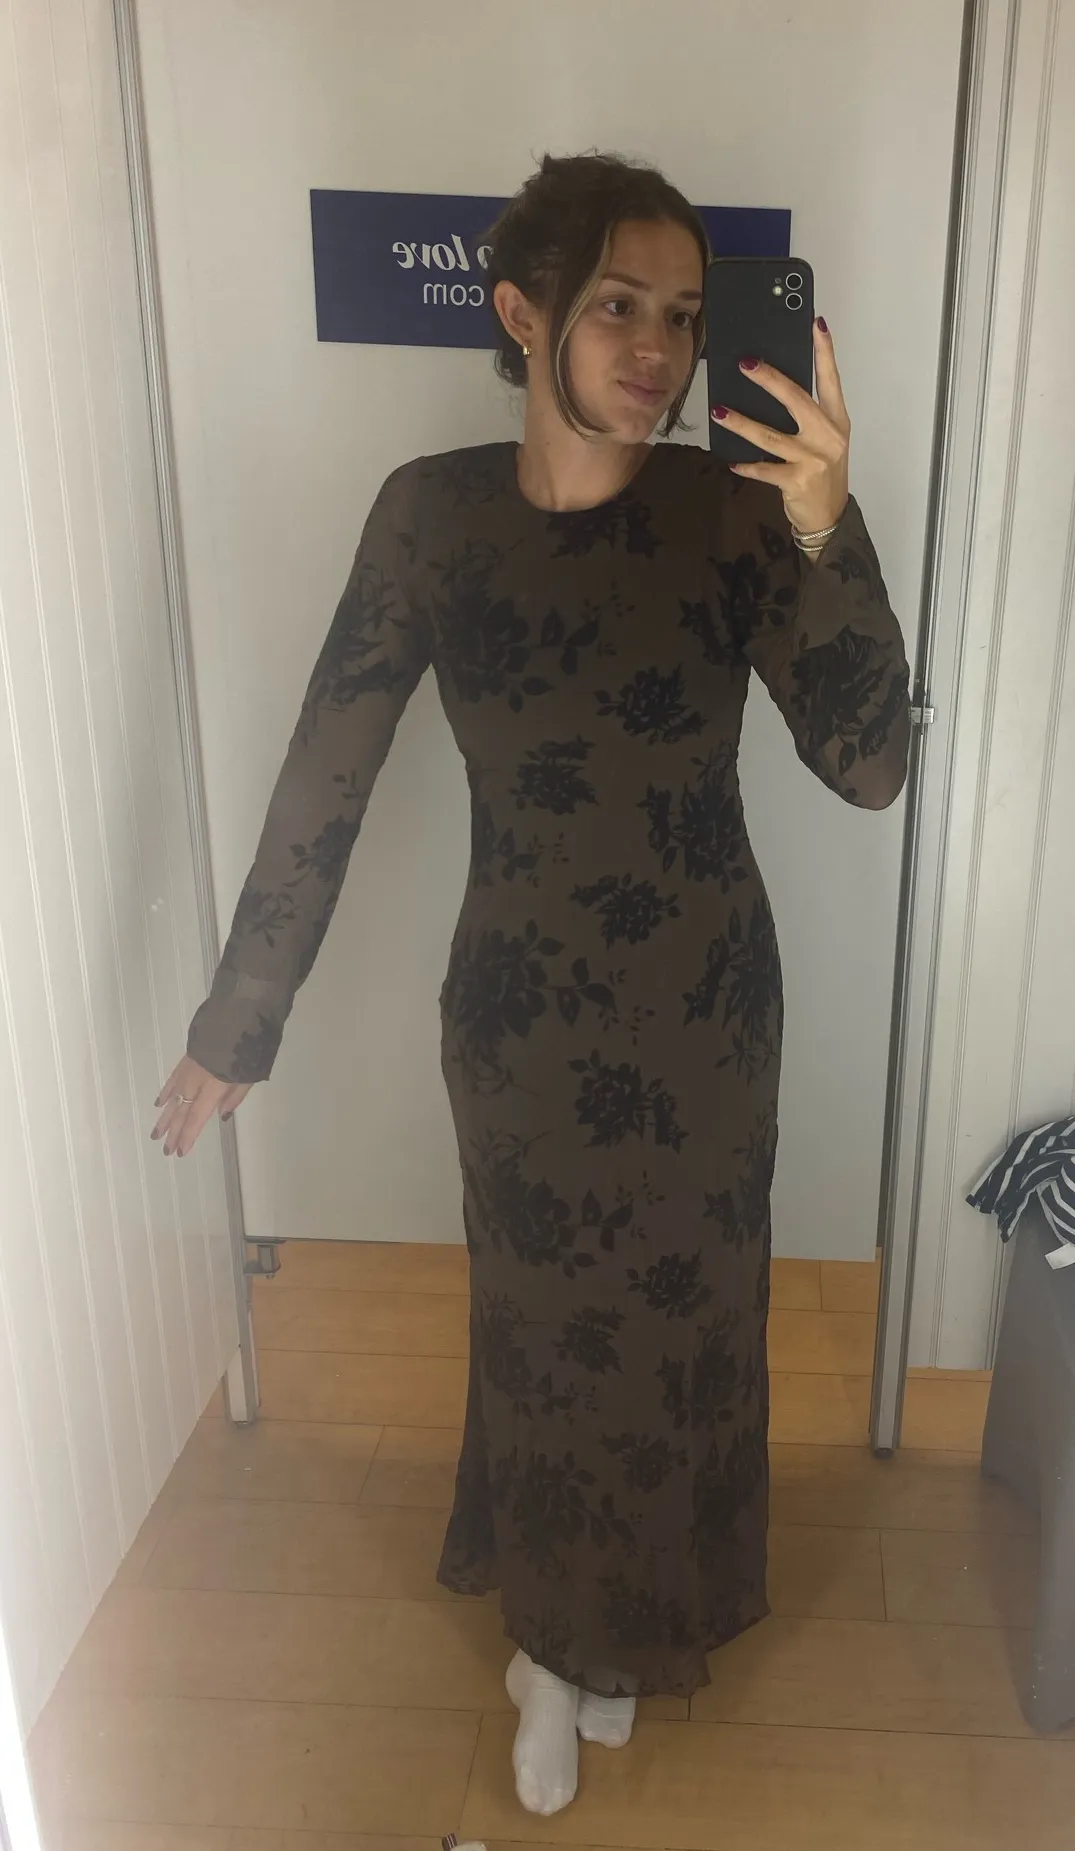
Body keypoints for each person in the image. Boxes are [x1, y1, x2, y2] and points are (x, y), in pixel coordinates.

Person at [151, 152, 911, 1817]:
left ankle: (639, 1623)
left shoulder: (733, 511)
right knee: (556, 1327)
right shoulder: (430, 515)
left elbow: (869, 767)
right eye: (618, 306)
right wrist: (240, 1020)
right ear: (520, 310)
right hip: (520, 1014)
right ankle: (553, 1650)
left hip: (711, 1010)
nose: (658, 349)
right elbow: (328, 763)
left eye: (684, 317)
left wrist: (823, 520)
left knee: (690, 1321)